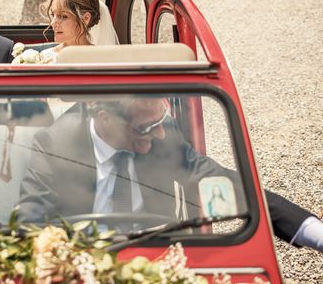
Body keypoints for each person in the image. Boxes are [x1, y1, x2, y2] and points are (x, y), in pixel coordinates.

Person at [17, 96, 323, 253]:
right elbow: (32, 219)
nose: (160, 133)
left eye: (161, 121)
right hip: (84, 261)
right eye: (146, 128)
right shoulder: (55, 144)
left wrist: (314, 232)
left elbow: (224, 182)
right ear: (105, 119)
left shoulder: (162, 135)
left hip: (160, 255)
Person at [16, 0, 118, 59]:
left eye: (63, 16)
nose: (52, 23)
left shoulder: (104, 60)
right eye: (53, 15)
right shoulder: (44, 57)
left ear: (86, 18)